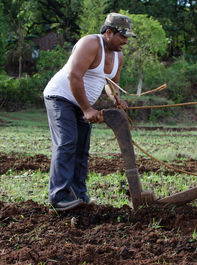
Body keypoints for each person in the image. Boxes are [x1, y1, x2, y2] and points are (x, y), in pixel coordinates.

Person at [43, 13, 135, 212]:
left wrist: (117, 100)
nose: (125, 41)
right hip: (61, 97)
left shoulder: (119, 55)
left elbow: (111, 85)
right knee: (67, 143)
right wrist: (87, 109)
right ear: (108, 32)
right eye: (122, 36)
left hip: (82, 103)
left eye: (127, 37)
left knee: (82, 149)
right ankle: (59, 197)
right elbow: (74, 76)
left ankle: (79, 195)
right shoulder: (91, 44)